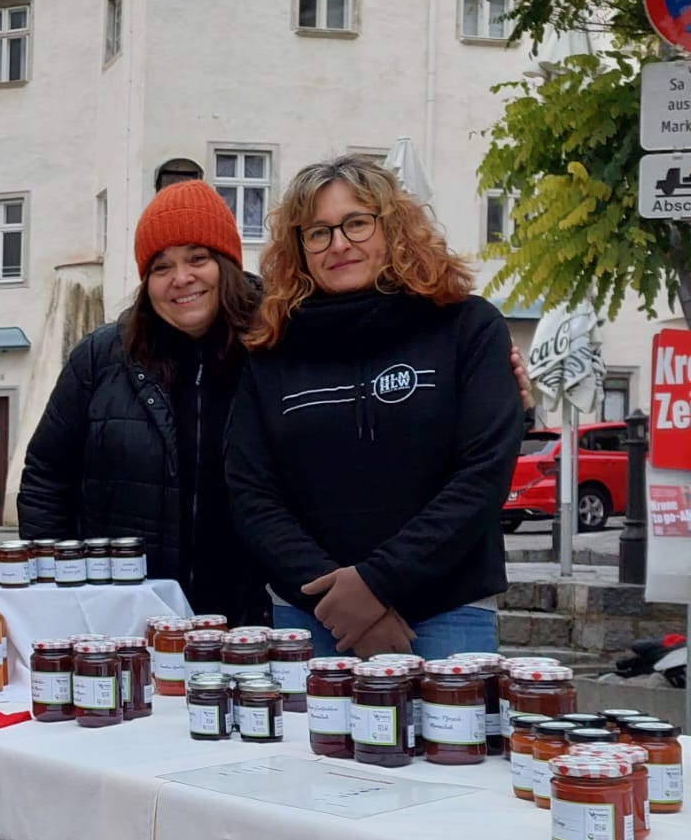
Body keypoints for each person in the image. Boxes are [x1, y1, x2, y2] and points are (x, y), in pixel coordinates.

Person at [224, 156, 524, 660]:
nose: (339, 244)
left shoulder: (467, 327)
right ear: (299, 249)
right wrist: (344, 606)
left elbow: (482, 474)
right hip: (312, 616)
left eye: (357, 223)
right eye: (318, 232)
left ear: (393, 228)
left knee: (453, 743)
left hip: (446, 611)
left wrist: (377, 583)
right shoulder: (270, 351)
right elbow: (252, 494)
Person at [16, 180, 266, 620]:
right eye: (161, 266)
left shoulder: (276, 347)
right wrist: (56, 588)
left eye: (197, 258)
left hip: (254, 615)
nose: (181, 278)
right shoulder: (101, 358)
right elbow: (47, 477)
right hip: (126, 616)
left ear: (226, 263)